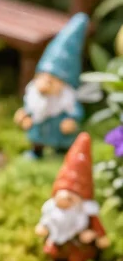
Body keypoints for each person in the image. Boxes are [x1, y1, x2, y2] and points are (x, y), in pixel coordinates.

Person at [15, 13, 88, 157]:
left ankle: (60, 151)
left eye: (51, 80)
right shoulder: (34, 97)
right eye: (42, 77)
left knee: (63, 139)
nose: (44, 84)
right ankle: (37, 151)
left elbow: (76, 113)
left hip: (58, 128)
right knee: (36, 136)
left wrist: (71, 122)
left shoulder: (66, 100)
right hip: (39, 127)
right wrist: (23, 116)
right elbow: (28, 109)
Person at [36, 132, 110, 261]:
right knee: (55, 251)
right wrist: (42, 227)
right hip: (57, 241)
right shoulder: (51, 209)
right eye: (61, 195)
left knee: (78, 254)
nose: (64, 200)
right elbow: (45, 222)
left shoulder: (85, 212)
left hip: (77, 243)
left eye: (70, 198)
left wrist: (97, 235)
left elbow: (96, 225)